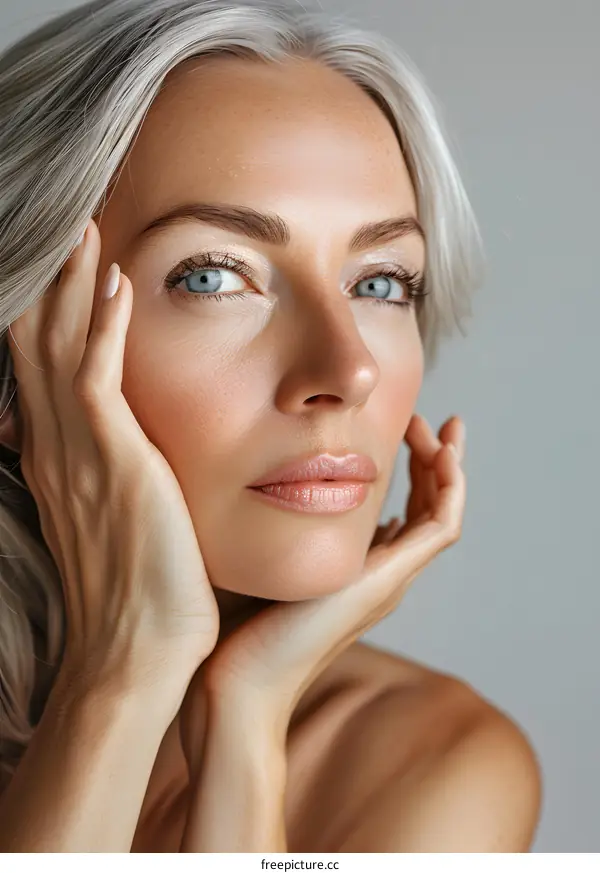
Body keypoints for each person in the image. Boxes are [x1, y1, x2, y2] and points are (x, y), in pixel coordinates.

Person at [0, 0, 542, 852]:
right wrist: (122, 679)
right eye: (214, 276)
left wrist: (242, 725)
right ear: (21, 344)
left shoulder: (430, 761)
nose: (349, 369)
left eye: (380, 282)